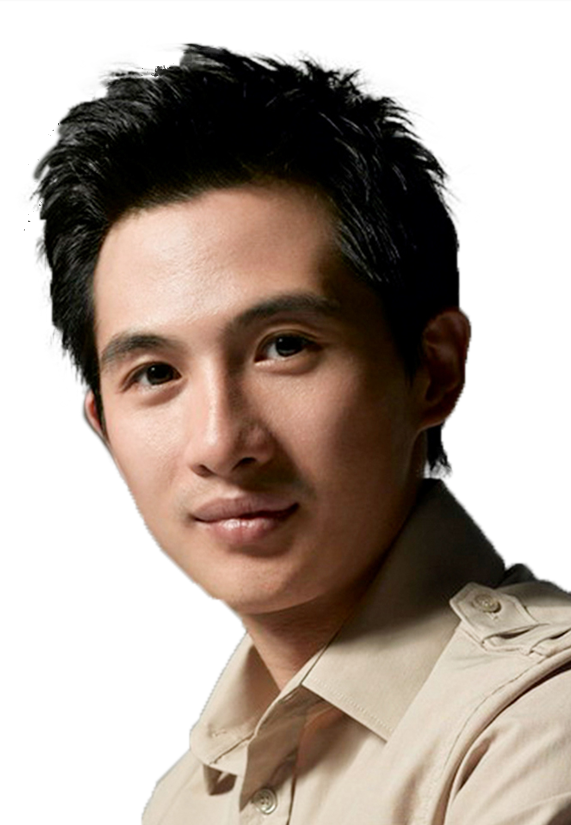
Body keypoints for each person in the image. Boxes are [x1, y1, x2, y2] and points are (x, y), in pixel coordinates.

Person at [36, 42, 571, 824]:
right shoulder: (183, 800)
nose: (220, 443)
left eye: (284, 345)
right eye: (154, 373)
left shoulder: (539, 725)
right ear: (105, 427)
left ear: (432, 369)